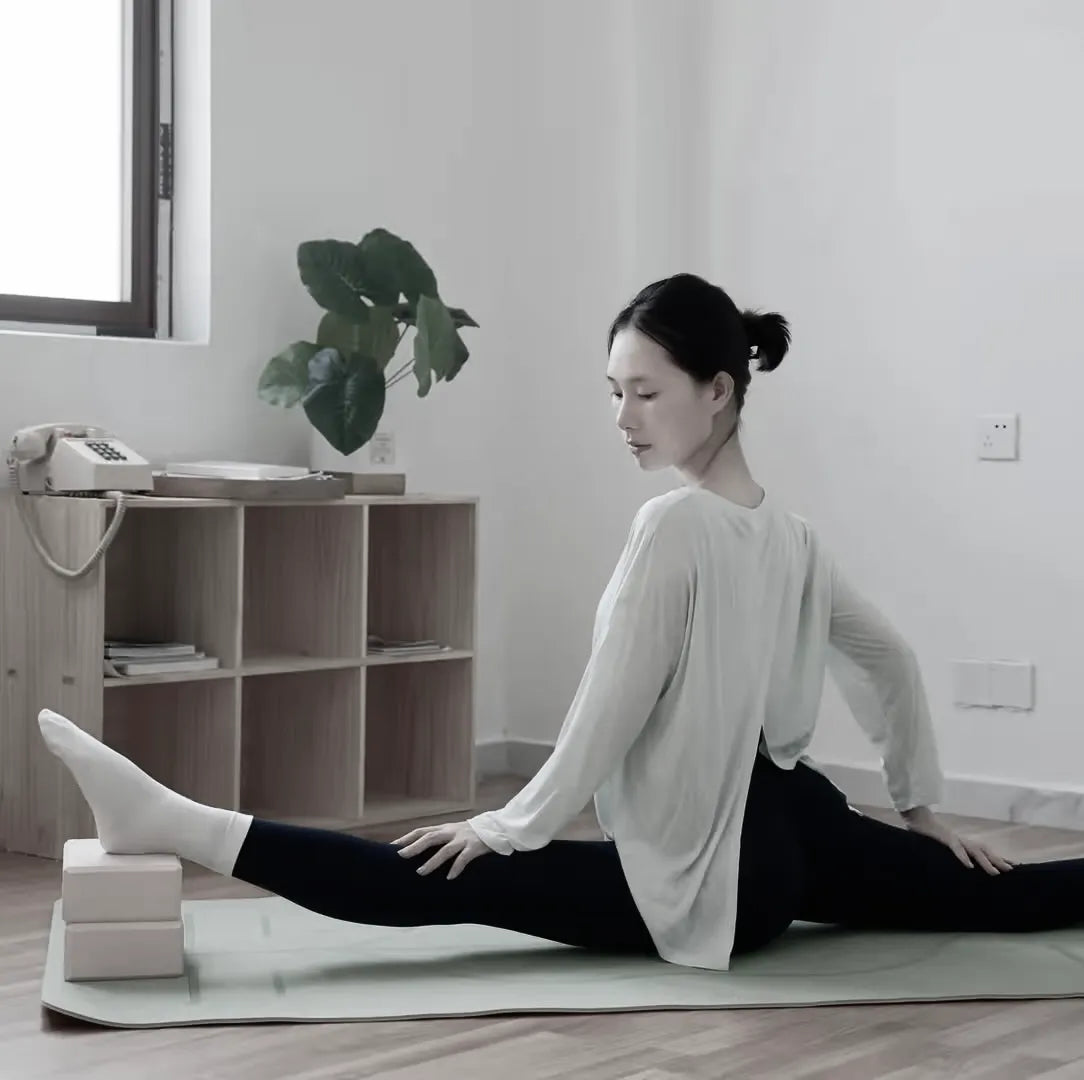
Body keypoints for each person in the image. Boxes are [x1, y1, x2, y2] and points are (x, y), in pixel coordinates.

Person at [37, 273, 1084, 973]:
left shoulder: (674, 525)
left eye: (645, 393)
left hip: (722, 877)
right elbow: (888, 659)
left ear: (718, 392)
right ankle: (165, 820)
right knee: (1001, 895)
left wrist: (506, 825)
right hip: (798, 831)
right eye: (613, 392)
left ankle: (169, 824)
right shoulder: (790, 535)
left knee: (438, 879)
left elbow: (606, 712)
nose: (621, 418)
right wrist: (921, 808)